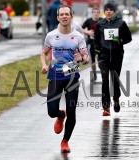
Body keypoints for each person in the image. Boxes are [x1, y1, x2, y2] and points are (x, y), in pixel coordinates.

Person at [41, 5, 89, 153]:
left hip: (72, 76)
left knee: (72, 110)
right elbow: (44, 53)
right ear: (57, 17)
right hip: (55, 75)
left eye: (67, 14)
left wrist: (83, 58)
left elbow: (86, 57)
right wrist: (44, 65)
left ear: (71, 17)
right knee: (51, 111)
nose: (64, 16)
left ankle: (65, 141)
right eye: (61, 14)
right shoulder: (51, 35)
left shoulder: (78, 37)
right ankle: (61, 115)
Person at [94, 3, 132, 116]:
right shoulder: (100, 24)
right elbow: (96, 39)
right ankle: (106, 107)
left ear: (114, 12)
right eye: (107, 10)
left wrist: (119, 40)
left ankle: (116, 99)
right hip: (103, 57)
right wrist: (97, 51)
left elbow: (128, 38)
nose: (109, 12)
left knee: (115, 79)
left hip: (117, 56)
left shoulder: (121, 23)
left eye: (111, 10)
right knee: (105, 80)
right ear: (104, 12)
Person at [82, 7, 102, 82]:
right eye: (94, 12)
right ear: (92, 13)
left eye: (97, 12)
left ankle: (103, 75)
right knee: (92, 60)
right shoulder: (88, 21)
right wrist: (88, 32)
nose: (96, 14)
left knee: (100, 59)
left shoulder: (102, 20)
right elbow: (82, 29)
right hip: (91, 43)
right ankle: (94, 74)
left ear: (99, 13)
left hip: (100, 44)